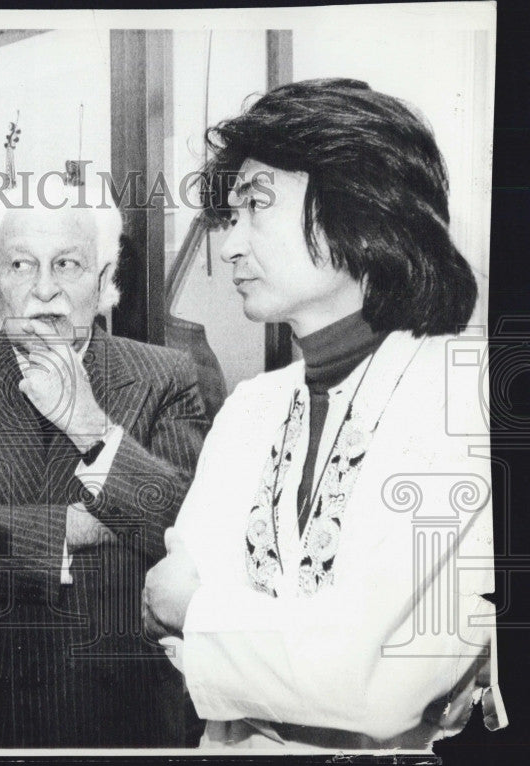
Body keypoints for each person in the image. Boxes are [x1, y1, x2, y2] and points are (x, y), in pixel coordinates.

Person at [143, 78, 504, 750]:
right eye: (230, 216)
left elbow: (379, 684)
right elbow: (167, 633)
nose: (230, 247)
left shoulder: (466, 398)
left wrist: (201, 611)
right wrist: (288, 640)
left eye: (256, 208)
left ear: (359, 209)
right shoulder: (252, 408)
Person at [0, 176, 224, 747]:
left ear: (102, 283)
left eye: (67, 265)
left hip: (128, 715)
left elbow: (185, 528)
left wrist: (91, 428)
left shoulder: (165, 376)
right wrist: (64, 531)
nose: (44, 289)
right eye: (22, 266)